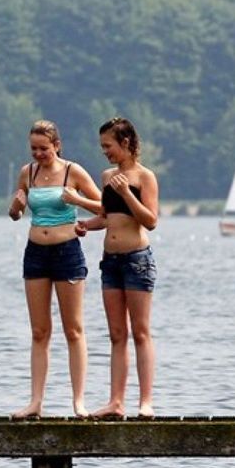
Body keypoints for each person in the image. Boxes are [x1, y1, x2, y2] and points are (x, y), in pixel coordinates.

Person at [8, 120, 103, 419]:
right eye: (34, 149)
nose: (38, 154)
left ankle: (78, 402)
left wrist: (77, 200)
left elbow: (105, 206)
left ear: (57, 146)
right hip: (36, 253)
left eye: (44, 149)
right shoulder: (28, 172)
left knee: (73, 329)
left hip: (67, 253)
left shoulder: (73, 171)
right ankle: (36, 402)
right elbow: (15, 213)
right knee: (39, 331)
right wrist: (17, 204)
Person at [76, 117, 159, 418]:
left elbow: (150, 219)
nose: (105, 152)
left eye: (108, 146)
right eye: (102, 147)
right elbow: (107, 217)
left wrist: (127, 193)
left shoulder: (144, 177)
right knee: (116, 333)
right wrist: (87, 224)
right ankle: (116, 401)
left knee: (140, 331)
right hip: (109, 262)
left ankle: (145, 401)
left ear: (125, 143)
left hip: (137, 260)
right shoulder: (107, 175)